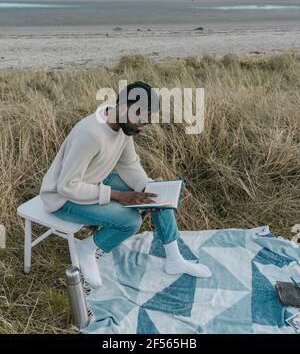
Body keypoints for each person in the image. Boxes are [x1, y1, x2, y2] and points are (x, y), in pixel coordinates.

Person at [39, 81, 211, 286]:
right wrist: (117, 196)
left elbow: (129, 165)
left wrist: (147, 188)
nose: (141, 127)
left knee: (157, 195)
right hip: (63, 199)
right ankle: (86, 249)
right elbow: (67, 186)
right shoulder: (90, 134)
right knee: (130, 222)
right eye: (140, 119)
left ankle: (174, 259)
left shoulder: (122, 127)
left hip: (94, 181)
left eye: (146, 122)